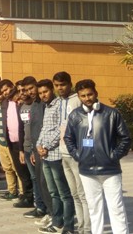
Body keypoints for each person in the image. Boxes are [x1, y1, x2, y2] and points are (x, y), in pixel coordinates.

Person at [64, 79, 131, 234]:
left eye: (90, 94)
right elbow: (68, 138)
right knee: (94, 209)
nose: (87, 98)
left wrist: (113, 156)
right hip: (86, 170)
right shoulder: (75, 116)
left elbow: (126, 138)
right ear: (79, 97)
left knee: (117, 208)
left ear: (96, 93)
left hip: (110, 170)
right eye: (83, 96)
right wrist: (78, 155)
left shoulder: (112, 114)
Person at [54, 71, 91, 234]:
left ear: (70, 84)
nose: (59, 88)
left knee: (83, 195)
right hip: (64, 154)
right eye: (56, 85)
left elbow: (89, 127)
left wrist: (84, 151)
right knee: (74, 194)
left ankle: (87, 229)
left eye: (62, 85)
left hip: (77, 155)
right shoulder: (60, 101)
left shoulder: (78, 100)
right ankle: (81, 227)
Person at [37, 79, 75, 234]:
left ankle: (68, 225)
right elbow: (45, 129)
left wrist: (46, 146)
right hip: (45, 155)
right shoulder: (47, 106)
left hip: (56, 154)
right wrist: (39, 145)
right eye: (40, 93)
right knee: (53, 192)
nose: (43, 95)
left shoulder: (60, 104)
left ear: (51, 90)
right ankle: (56, 222)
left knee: (64, 193)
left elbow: (61, 128)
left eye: (45, 91)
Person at [19, 76, 51, 222]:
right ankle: (44, 209)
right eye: (26, 90)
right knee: (38, 180)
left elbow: (47, 128)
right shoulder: (35, 105)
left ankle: (51, 213)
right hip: (35, 149)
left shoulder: (45, 104)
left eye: (32, 88)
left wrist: (40, 147)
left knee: (48, 183)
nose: (30, 92)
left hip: (46, 150)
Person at [0, 79, 34, 208]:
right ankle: (25, 196)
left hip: (23, 142)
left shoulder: (20, 102)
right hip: (11, 142)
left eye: (6, 89)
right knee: (21, 172)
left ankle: (30, 197)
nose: (5, 93)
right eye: (3, 91)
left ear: (12, 87)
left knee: (27, 173)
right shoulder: (6, 103)